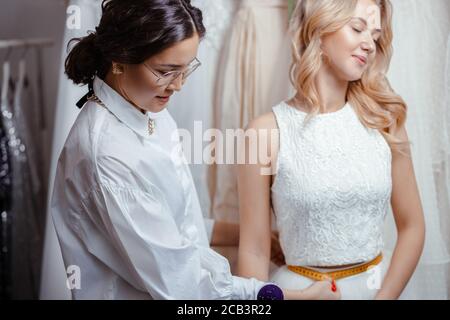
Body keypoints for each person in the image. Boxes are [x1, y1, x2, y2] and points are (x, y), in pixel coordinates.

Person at [51, 0, 339, 300]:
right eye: (166, 71)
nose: (177, 86)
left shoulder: (147, 105)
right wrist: (290, 297)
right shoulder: (109, 155)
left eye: (186, 70)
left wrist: (241, 232)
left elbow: (169, 223)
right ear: (120, 59)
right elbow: (186, 287)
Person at [237, 0, 425, 300]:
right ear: (319, 29)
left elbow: (413, 226)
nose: (369, 44)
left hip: (380, 287)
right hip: (302, 291)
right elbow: (254, 250)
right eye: (358, 29)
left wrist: (385, 298)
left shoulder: (385, 121)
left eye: (375, 36)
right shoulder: (265, 132)